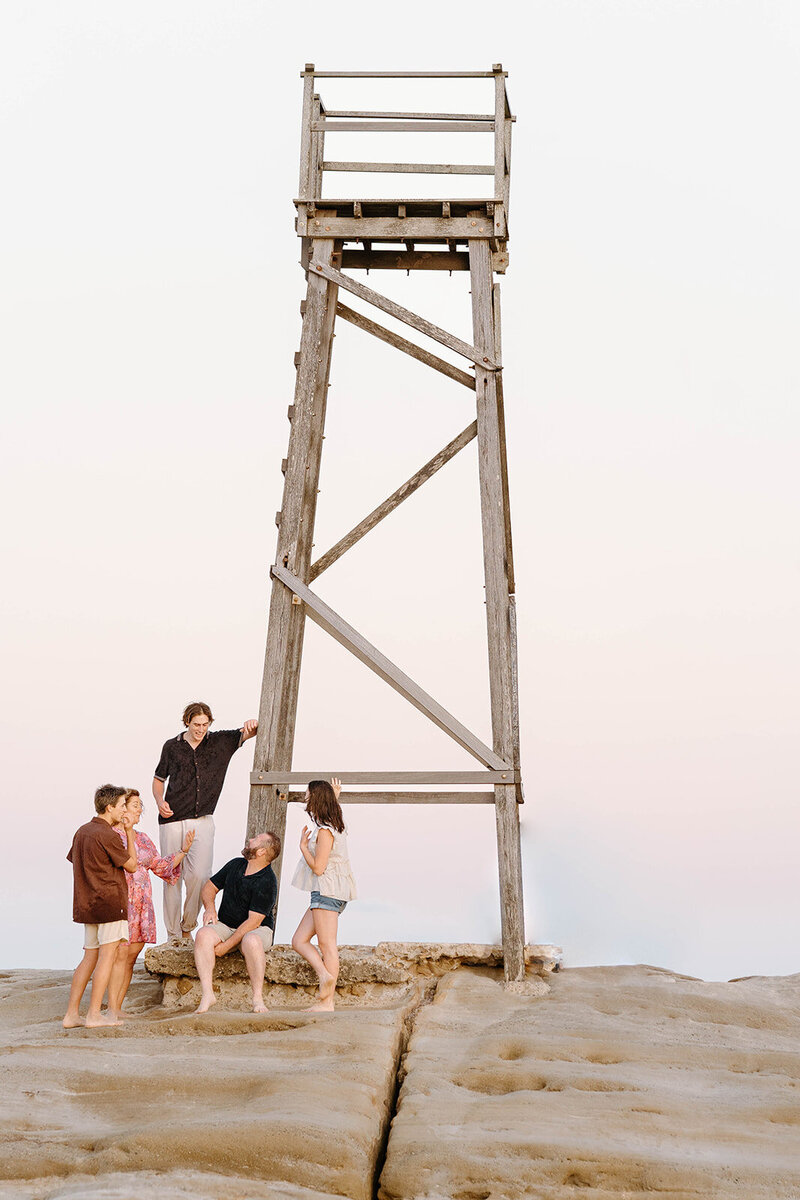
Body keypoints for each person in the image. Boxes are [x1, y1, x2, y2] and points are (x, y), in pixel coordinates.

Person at [152, 701, 258, 945]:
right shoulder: (171, 747)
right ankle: (173, 936)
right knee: (172, 878)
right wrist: (159, 800)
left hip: (203, 821)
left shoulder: (220, 741)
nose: (200, 729)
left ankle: (188, 925)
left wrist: (253, 724)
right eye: (196, 724)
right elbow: (158, 780)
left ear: (210, 723)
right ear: (186, 722)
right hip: (171, 820)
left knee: (200, 875)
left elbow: (249, 732)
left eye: (205, 724)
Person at [106, 789, 196, 1021]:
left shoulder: (143, 837)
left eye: (140, 805)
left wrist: (184, 851)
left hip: (142, 902)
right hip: (121, 900)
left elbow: (159, 865)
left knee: (131, 956)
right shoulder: (110, 836)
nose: (140, 809)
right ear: (122, 808)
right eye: (135, 804)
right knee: (119, 954)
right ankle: (109, 1008)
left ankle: (117, 1006)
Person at [63, 784, 138, 1029]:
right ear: (110, 807)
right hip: (109, 903)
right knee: (107, 957)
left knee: (89, 957)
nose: (124, 810)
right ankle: (94, 1014)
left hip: (88, 904)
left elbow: (76, 859)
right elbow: (132, 865)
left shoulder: (82, 831)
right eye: (121, 806)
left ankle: (72, 1015)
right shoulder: (107, 834)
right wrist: (128, 832)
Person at [193, 831, 281, 1014]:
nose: (249, 840)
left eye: (255, 840)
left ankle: (257, 999)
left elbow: (253, 922)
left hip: (257, 929)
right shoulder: (236, 865)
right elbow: (210, 887)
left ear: (262, 851)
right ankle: (208, 994)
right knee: (203, 935)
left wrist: (226, 946)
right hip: (227, 925)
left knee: (251, 941)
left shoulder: (268, 881)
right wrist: (210, 908)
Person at [290, 778, 357, 1012]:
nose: (305, 797)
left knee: (327, 945)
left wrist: (302, 848)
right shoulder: (333, 823)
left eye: (308, 793)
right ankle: (323, 975)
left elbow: (318, 867)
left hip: (326, 892)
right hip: (327, 893)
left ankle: (327, 1001)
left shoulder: (326, 831)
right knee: (298, 940)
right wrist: (334, 797)